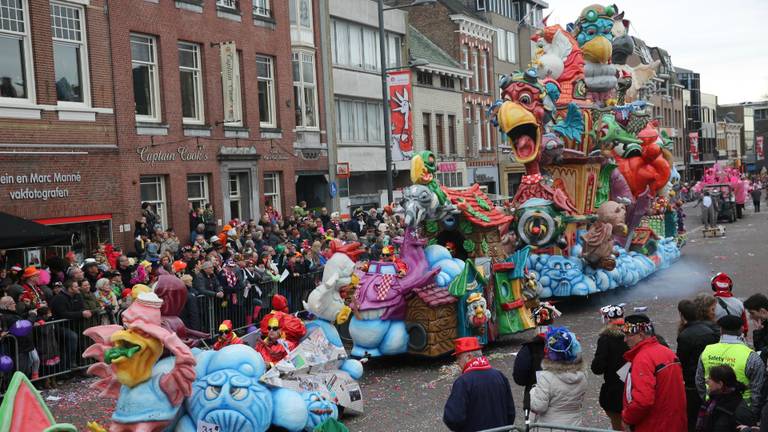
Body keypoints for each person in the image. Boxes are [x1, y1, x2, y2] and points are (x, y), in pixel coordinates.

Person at [621, 314, 687, 432]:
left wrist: (627, 418)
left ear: (640, 335)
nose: (625, 340)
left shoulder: (642, 359)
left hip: (653, 426)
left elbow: (643, 401)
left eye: (627, 335)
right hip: (675, 423)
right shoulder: (668, 352)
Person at [696, 315, 764, 420]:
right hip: (741, 410)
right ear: (741, 330)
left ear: (721, 330)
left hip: (711, 407)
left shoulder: (707, 351)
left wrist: (707, 401)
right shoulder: (751, 356)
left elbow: (699, 381)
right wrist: (752, 413)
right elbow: (757, 389)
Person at [443, 337, 515, 432]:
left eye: (459, 358)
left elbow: (453, 418)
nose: (457, 363)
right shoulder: (499, 376)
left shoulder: (463, 382)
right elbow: (510, 413)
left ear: (469, 357)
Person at [529, 326, 587, 426]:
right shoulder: (582, 373)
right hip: (574, 425)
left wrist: (533, 391)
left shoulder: (546, 377)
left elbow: (538, 406)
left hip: (550, 426)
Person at [678, 296, 720, 431]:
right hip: (711, 378)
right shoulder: (711, 330)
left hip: (692, 383)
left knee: (692, 418)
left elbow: (681, 360)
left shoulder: (685, 335)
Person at [513, 302, 561, 416]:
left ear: (535, 321)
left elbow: (519, 378)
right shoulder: (565, 343)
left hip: (535, 399)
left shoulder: (528, 348)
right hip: (563, 399)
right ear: (552, 319)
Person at [591, 304, 629, 431]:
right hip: (634, 388)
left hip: (614, 392)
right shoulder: (634, 334)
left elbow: (597, 368)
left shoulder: (606, 339)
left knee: (618, 425)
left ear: (607, 319)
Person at [696, 365, 755, 432]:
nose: (706, 381)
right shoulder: (712, 402)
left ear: (720, 384)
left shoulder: (740, 411)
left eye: (710, 378)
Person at [743, 293, 768, 362]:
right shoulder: (764, 325)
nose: (750, 317)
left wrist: (758, 332)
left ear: (763, 311)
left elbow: (761, 352)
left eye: (752, 313)